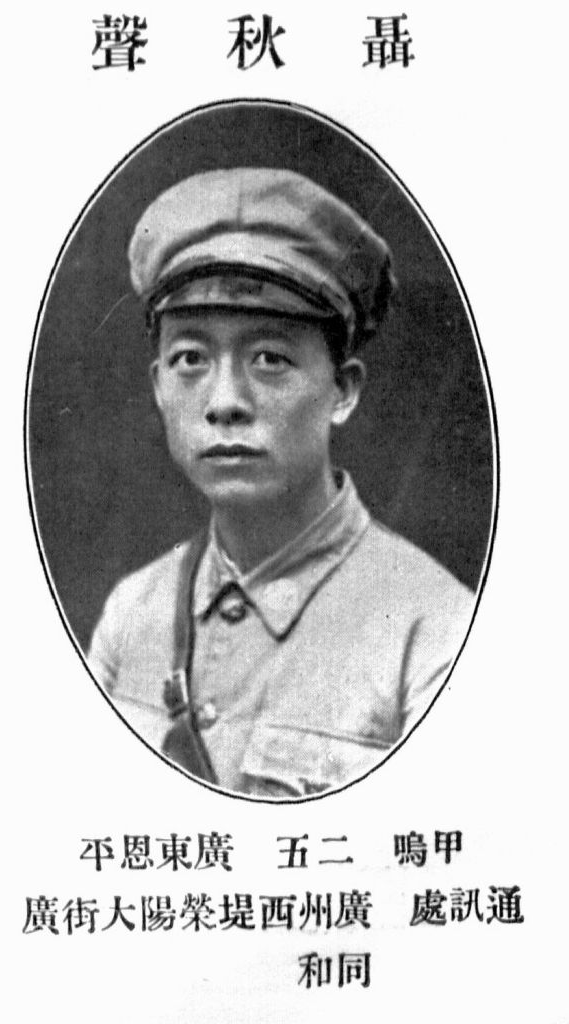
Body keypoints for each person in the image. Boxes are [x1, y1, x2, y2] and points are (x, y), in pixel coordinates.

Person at [88, 166, 474, 798]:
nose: (225, 402)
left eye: (270, 358)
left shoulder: (435, 634)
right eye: (191, 359)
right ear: (158, 386)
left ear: (342, 390)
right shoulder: (132, 614)